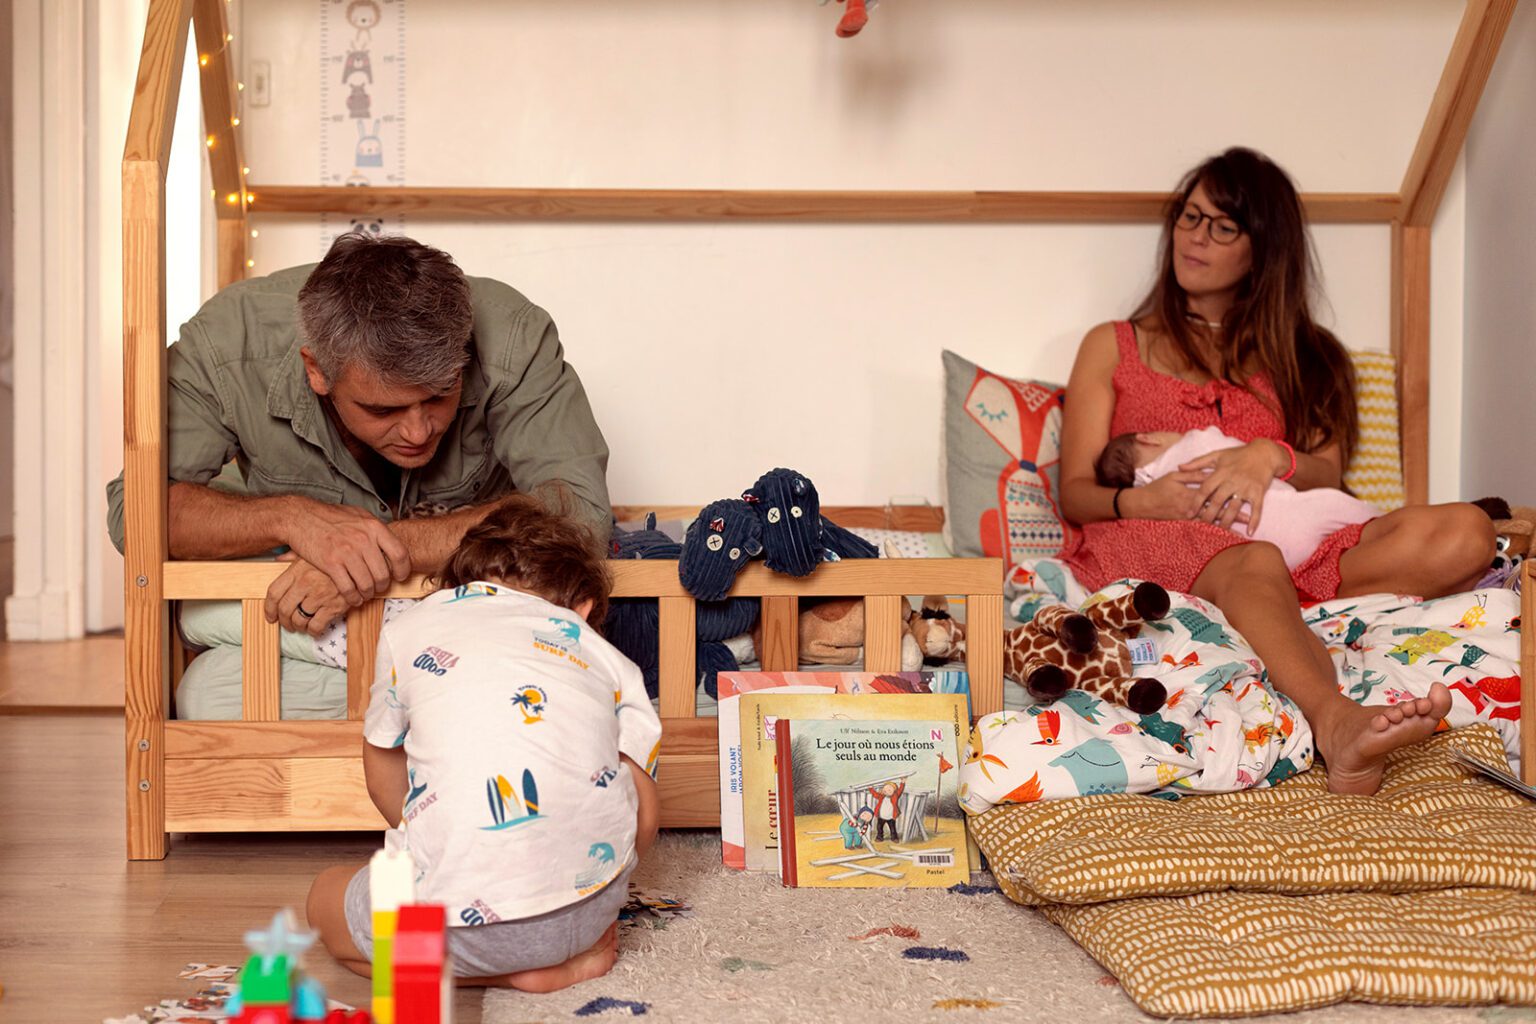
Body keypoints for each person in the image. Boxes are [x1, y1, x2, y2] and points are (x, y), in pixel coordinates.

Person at [1057, 147, 1493, 797]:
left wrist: (1269, 456)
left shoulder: (1307, 355)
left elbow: (1329, 471)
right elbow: (1076, 493)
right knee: (1253, 559)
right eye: (1189, 216)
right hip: (1156, 537)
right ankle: (1338, 723)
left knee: (1467, 532)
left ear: (1263, 249)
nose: (1194, 236)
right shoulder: (1113, 343)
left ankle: (1274, 614)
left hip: (1293, 549)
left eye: (1221, 226)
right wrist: (1153, 505)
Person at [105, 233, 611, 637]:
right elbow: (137, 514)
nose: (417, 430)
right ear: (317, 371)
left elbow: (579, 510)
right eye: (382, 408)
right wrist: (292, 519)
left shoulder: (516, 335)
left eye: (439, 396)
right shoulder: (227, 343)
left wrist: (381, 550)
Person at [306, 494, 661, 992]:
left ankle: (505, 975)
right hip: (587, 918)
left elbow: (381, 759)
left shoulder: (410, 628)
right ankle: (546, 966)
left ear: (453, 589)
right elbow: (644, 817)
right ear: (582, 608)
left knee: (324, 898)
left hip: (452, 926)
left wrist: (428, 836)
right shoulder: (608, 659)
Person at [1094, 426, 1378, 570]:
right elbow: (1227, 446)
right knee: (1366, 518)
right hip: (1300, 512)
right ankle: (1384, 518)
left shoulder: (1163, 497)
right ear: (1148, 438)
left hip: (1277, 555)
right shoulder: (1195, 443)